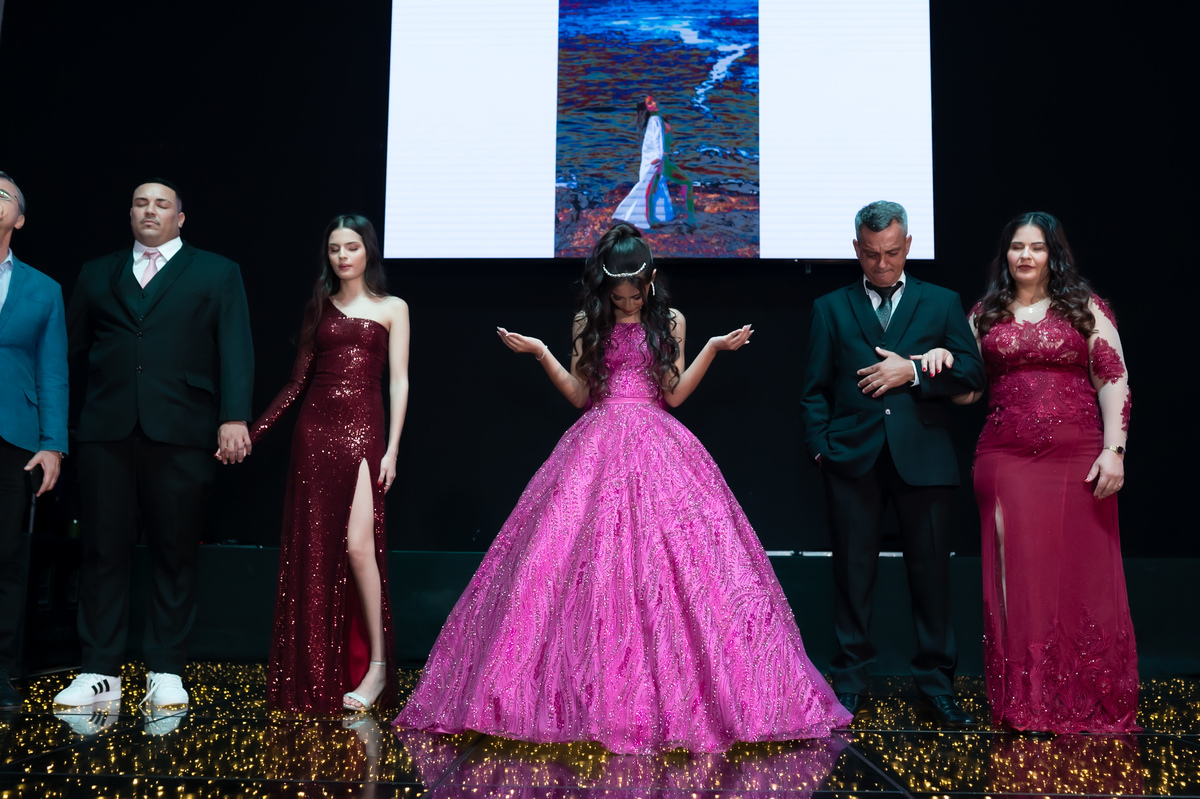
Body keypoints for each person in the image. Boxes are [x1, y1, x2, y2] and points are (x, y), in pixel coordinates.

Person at [395, 222, 850, 753]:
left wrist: (712, 348)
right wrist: (541, 352)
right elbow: (580, 395)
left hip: (658, 446)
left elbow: (673, 395)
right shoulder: (588, 321)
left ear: (651, 280)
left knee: (680, 571)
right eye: (619, 298)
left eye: (636, 295)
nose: (629, 304)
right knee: (575, 565)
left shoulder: (670, 321)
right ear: (605, 290)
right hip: (596, 446)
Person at [56, 180, 255, 708]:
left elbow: (235, 348)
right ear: (130, 214)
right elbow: (69, 351)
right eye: (141, 203)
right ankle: (99, 670)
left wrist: (234, 416)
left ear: (180, 218)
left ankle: (165, 669)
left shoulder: (217, 271)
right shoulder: (97, 272)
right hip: (106, 430)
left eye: (162, 204)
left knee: (174, 551)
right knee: (102, 550)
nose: (151, 210)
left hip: (183, 430)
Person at [799, 200, 986, 727]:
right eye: (871, 254)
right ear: (856, 249)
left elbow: (973, 375)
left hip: (923, 459)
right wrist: (821, 448)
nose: (882, 264)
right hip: (851, 459)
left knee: (932, 576)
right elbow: (813, 390)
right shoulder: (830, 307)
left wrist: (916, 373)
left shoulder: (942, 302)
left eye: (891, 253)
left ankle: (936, 684)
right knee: (852, 575)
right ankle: (849, 682)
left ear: (908, 246)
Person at [953, 212, 1137, 733]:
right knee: (1017, 573)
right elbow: (967, 392)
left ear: (1053, 254)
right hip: (1004, 458)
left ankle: (1084, 697)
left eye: (1036, 247)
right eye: (1017, 247)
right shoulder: (984, 314)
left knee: (1082, 571)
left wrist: (1115, 451)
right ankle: (1028, 701)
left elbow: (1113, 379)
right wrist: (942, 358)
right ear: (1006, 255)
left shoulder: (1085, 308)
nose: (1026, 255)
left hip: (1077, 458)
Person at [250, 214, 409, 713]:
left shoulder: (393, 308)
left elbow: (399, 381)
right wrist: (253, 433)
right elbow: (296, 383)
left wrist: (393, 450)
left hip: (364, 432)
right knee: (315, 552)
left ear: (368, 252)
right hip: (314, 433)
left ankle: (377, 667)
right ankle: (318, 669)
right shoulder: (318, 308)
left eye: (352, 247)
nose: (342, 256)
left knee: (359, 548)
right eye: (335, 248)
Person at [0, 171, 68, 711]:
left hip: (13, 437)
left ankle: (1, 669)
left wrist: (52, 443)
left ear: (19, 219)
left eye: (2, 195)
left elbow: (52, 371)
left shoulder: (43, 289)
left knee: (5, 557)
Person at [612, 95, 696, 229]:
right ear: (646, 107)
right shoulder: (655, 120)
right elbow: (656, 140)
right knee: (651, 189)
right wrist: (657, 157)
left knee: (682, 183)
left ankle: (688, 216)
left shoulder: (659, 119)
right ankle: (650, 220)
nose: (654, 103)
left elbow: (653, 141)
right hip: (657, 161)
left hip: (663, 160)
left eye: (654, 100)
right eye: (650, 103)